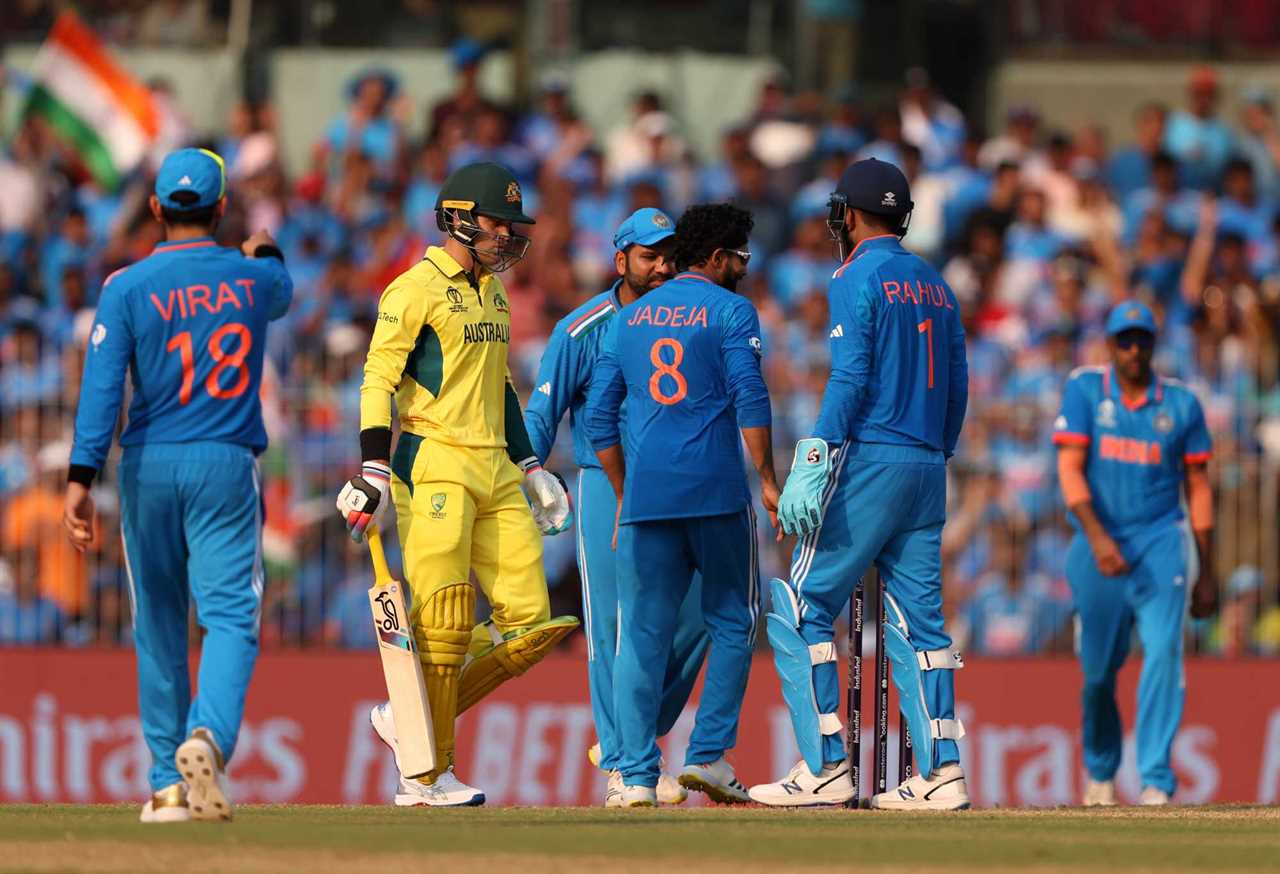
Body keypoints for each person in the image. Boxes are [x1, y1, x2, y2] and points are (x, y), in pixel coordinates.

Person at [336, 161, 577, 807]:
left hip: (496, 465)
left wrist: (532, 467)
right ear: (459, 218)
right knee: (442, 623)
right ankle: (426, 775)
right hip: (433, 458)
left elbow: (499, 388)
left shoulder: (494, 293)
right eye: (499, 224)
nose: (509, 236)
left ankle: (405, 715)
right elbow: (377, 380)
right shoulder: (411, 290)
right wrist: (372, 468)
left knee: (529, 629)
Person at [63, 148, 294, 823]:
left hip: (148, 465)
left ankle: (167, 784)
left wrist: (80, 478)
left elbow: (103, 390)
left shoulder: (126, 286)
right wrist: (265, 249)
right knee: (229, 617)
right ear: (222, 209)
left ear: (158, 209)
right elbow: (282, 289)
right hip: (224, 461)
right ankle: (210, 739)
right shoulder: (252, 282)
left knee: (158, 623)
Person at [750, 157, 971, 810]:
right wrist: (937, 451)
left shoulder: (853, 276)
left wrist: (813, 460)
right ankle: (943, 772)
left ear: (847, 214)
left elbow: (848, 377)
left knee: (799, 606)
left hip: (870, 456)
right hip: (927, 464)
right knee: (923, 627)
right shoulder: (936, 282)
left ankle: (824, 765)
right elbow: (958, 383)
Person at [585, 203, 778, 807]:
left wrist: (622, 492)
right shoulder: (731, 311)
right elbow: (751, 397)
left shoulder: (629, 318)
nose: (744, 268)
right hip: (716, 492)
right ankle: (709, 755)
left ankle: (636, 777)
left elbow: (597, 419)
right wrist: (769, 479)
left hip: (647, 497)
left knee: (641, 635)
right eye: (740, 257)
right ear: (717, 257)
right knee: (734, 620)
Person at [523, 208, 709, 807]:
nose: (662, 266)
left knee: (707, 612)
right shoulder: (584, 328)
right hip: (605, 482)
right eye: (650, 255)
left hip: (676, 483)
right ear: (620, 259)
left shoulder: (688, 318)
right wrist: (530, 471)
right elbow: (540, 416)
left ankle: (632, 735)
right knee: (614, 626)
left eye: (669, 255)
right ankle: (627, 766)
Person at [1052, 300, 1218, 807]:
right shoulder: (1084, 389)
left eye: (1142, 340)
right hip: (1097, 541)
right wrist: (1100, 540)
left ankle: (1155, 781)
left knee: (1165, 650)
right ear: (1110, 344)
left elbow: (1199, 485)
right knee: (1099, 672)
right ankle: (1101, 772)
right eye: (1124, 340)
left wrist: (1206, 570)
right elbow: (1070, 470)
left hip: (1161, 541)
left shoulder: (1181, 405)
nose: (1133, 350)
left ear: (1153, 344)